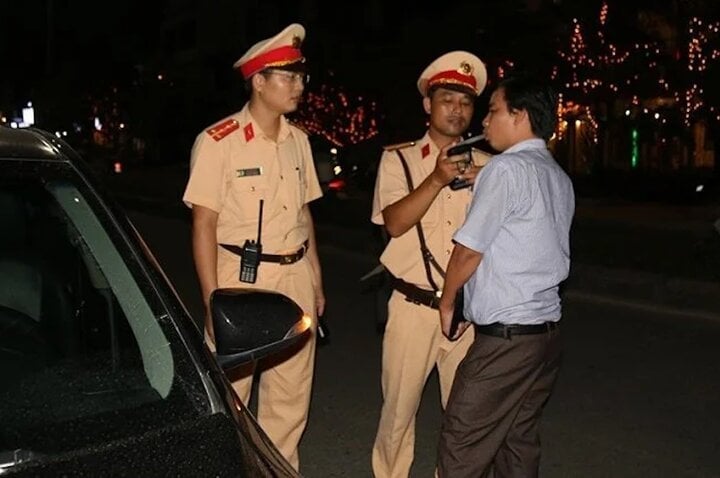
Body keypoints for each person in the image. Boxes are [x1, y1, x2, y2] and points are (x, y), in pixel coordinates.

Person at [182, 23, 324, 470]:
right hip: (241, 279)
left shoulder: (298, 142)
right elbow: (203, 223)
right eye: (288, 76)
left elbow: (305, 216)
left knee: (290, 400)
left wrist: (316, 282)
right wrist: (211, 301)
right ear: (259, 81)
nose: (299, 85)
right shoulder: (218, 142)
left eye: (301, 76)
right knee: (231, 397)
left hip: (295, 275)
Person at [436, 75, 575, 478]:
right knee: (517, 444)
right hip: (545, 337)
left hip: (507, 341)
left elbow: (468, 251)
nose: (483, 121)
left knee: (462, 442)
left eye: (493, 110)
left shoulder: (506, 169)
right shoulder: (557, 176)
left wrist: (448, 302)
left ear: (521, 115)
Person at [370, 51, 491, 478]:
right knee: (398, 416)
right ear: (428, 105)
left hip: (470, 311)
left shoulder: (491, 167)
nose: (456, 110)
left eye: (465, 102)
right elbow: (395, 223)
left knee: (464, 421)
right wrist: (436, 178)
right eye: (446, 99)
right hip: (412, 308)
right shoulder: (399, 160)